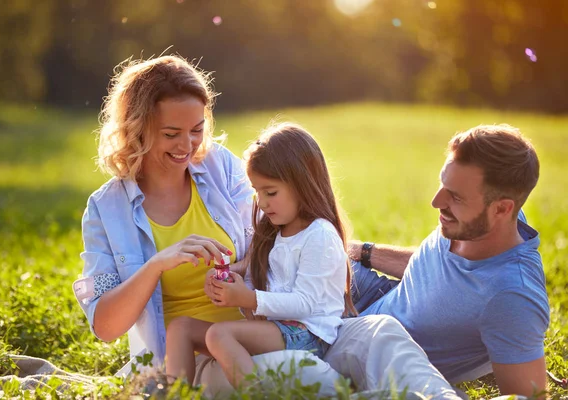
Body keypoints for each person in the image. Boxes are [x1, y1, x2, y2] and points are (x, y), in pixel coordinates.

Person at [72, 53, 460, 399]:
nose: (187, 146)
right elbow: (106, 326)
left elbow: (279, 235)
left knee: (380, 331)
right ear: (137, 128)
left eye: (196, 130)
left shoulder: (218, 167)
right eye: (171, 133)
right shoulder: (107, 210)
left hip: (284, 325)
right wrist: (158, 263)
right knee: (300, 374)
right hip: (205, 358)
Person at [349, 124, 550, 398]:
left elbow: (530, 396)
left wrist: (515, 350)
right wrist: (362, 252)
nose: (436, 201)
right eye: (443, 185)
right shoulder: (482, 223)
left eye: (455, 197)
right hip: (373, 299)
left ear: (503, 209)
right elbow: (435, 273)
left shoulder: (512, 297)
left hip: (378, 357)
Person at [194, 123, 353, 387]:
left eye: (271, 192)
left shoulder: (319, 235)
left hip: (307, 334)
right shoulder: (275, 231)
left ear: (302, 184)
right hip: (281, 329)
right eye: (257, 191)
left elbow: (305, 304)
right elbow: (263, 281)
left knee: (219, 336)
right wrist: (234, 281)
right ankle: (170, 390)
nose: (262, 202)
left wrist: (248, 298)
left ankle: (256, 394)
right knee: (186, 329)